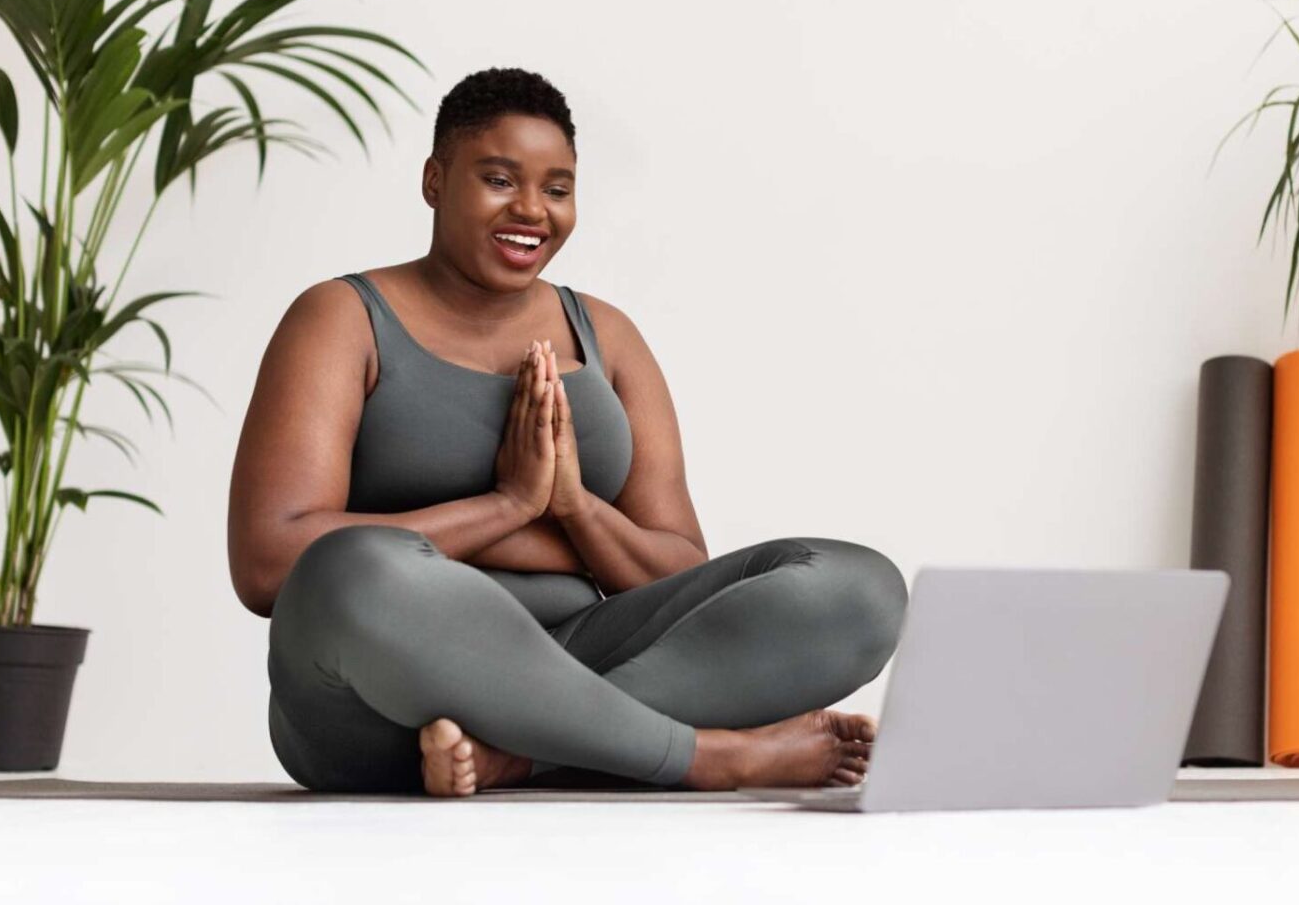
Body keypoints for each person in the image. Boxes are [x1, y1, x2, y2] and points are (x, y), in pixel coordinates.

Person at [226, 67, 909, 796]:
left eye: (557, 189)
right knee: (353, 567)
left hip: (584, 659)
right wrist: (510, 506)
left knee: (859, 588)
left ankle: (518, 759)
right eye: (498, 179)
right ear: (434, 180)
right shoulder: (340, 318)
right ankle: (709, 756)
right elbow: (270, 566)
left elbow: (681, 574)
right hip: (377, 702)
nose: (532, 210)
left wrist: (575, 506)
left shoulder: (608, 337)